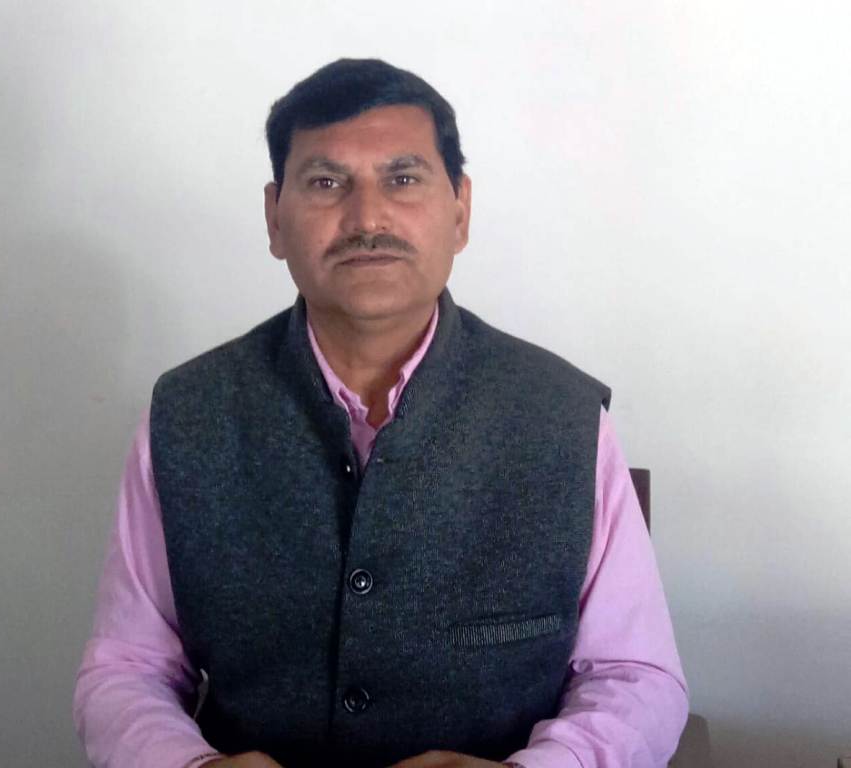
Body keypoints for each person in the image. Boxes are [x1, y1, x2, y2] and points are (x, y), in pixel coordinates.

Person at [73, 58, 688, 768]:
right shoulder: (188, 414)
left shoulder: (563, 417)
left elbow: (635, 675)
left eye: (402, 179)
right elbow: (126, 667)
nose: (367, 218)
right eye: (326, 182)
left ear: (459, 212)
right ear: (274, 219)